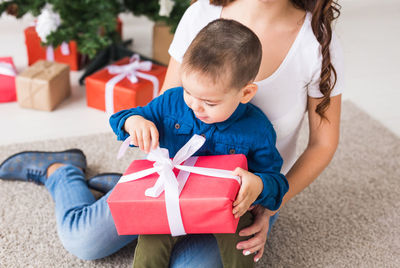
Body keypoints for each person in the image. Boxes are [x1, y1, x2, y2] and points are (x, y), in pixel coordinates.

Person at [0, 0, 343, 265]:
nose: (198, 105)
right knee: (84, 241)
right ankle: (62, 172)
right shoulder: (201, 14)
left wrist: (268, 205)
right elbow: (168, 108)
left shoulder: (316, 42)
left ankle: (108, 184)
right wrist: (140, 129)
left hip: (246, 197)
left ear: (247, 92)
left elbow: (322, 144)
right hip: (172, 178)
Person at [109, 18, 288, 268]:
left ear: (245, 93)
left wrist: (258, 184)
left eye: (210, 102)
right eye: (189, 92)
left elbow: (276, 181)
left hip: (226, 207)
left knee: (242, 237)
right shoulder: (172, 102)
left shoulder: (257, 129)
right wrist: (134, 122)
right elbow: (120, 118)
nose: (195, 106)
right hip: (169, 195)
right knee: (150, 236)